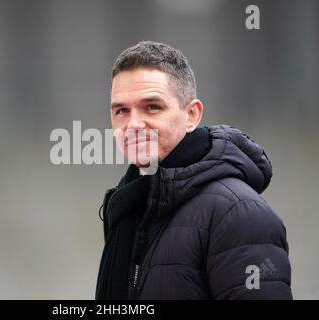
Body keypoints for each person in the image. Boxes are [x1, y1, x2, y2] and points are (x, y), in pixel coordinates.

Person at [95, 41, 292, 300]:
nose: (133, 124)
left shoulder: (238, 213)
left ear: (192, 115)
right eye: (121, 111)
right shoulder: (129, 206)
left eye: (152, 107)